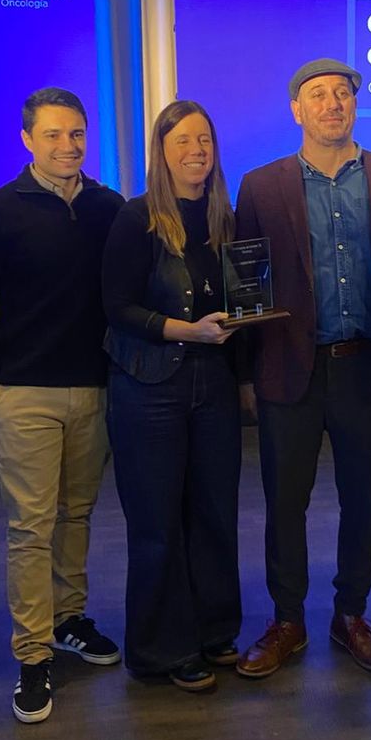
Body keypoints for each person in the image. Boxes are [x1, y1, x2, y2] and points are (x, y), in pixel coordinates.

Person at [234, 58, 371, 680]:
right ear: (297, 110)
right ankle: (287, 619)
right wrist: (244, 373)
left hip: (363, 367)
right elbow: (247, 284)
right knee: (284, 501)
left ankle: (351, 616)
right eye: (317, 95)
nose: (332, 104)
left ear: (354, 105)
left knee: (362, 502)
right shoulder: (261, 186)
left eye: (342, 93)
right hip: (288, 369)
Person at [0, 87, 124, 725]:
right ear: (27, 140)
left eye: (76, 133)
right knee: (31, 526)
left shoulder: (109, 207)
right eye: (53, 134)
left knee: (76, 514)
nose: (67, 146)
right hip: (23, 391)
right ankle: (31, 655)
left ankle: (68, 619)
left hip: (94, 387)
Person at [103, 101, 242, 693]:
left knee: (214, 514)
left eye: (205, 139)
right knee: (157, 523)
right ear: (161, 151)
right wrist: (186, 330)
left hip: (214, 385)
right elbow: (116, 309)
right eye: (183, 140)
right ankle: (164, 649)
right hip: (148, 385)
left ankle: (213, 632)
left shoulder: (224, 221)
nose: (197, 150)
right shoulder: (136, 219)